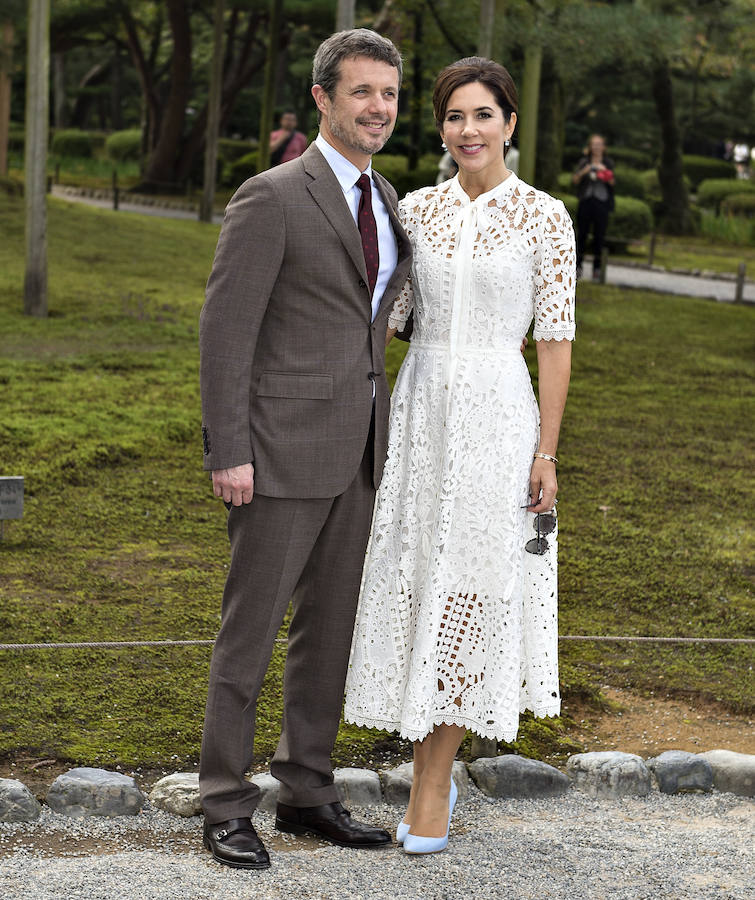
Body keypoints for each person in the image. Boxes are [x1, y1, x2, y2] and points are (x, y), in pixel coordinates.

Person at [344, 57, 575, 855]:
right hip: (420, 411)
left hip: (498, 419)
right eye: (452, 117)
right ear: (439, 128)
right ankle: (422, 759)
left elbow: (554, 341)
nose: (466, 131)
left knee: (469, 589)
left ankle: (432, 778)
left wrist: (546, 450)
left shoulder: (545, 217)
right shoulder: (415, 209)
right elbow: (383, 313)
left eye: (482, 115)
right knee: (414, 578)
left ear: (510, 123)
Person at [198, 28, 411, 870]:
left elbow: (380, 315)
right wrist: (229, 449)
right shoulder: (273, 194)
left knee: (328, 634)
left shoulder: (387, 196)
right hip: (277, 452)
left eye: (389, 95)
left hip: (360, 450)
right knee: (249, 635)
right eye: (361, 92)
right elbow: (225, 333)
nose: (378, 109)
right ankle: (223, 803)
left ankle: (309, 790)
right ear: (323, 98)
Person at [572, 134, 615, 280]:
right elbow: (575, 180)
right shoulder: (584, 161)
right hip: (586, 200)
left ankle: (597, 269)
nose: (596, 147)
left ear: (604, 147)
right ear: (590, 147)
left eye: (599, 144)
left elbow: (613, 183)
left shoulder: (608, 162)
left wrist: (603, 171)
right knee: (581, 235)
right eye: (594, 144)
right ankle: (578, 266)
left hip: (601, 202)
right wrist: (585, 170)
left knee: (599, 236)